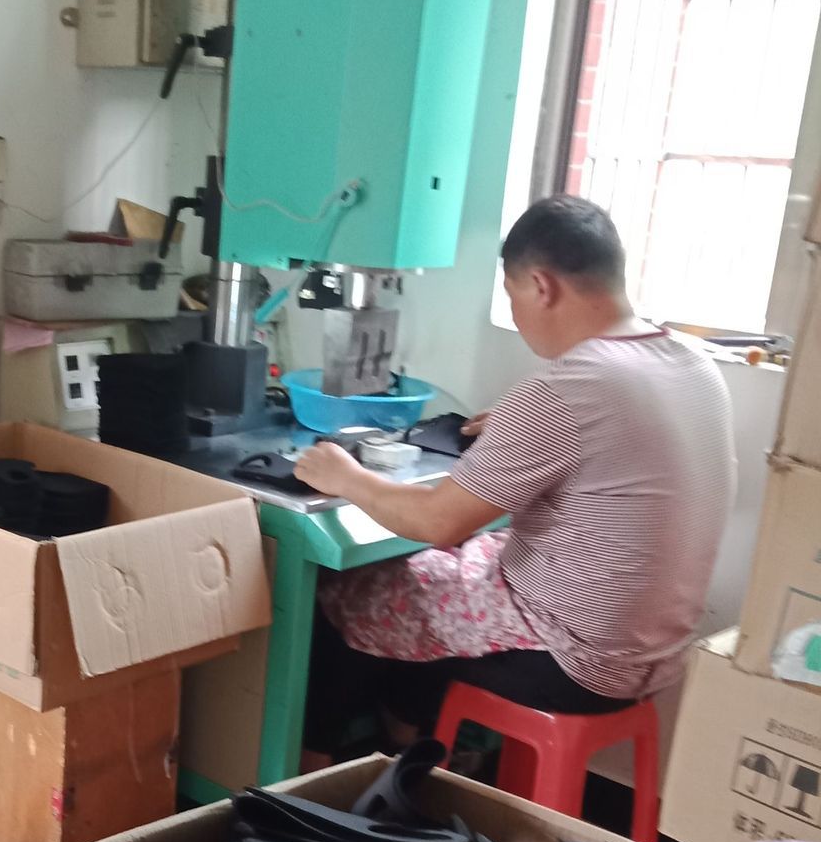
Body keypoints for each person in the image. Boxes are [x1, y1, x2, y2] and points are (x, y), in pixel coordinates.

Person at [295, 194, 736, 747]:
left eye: (512, 295)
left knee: (345, 592)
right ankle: (415, 748)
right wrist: (518, 426)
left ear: (541, 286)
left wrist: (345, 476)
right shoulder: (690, 363)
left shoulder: (572, 386)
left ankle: (321, 775)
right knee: (438, 573)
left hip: (573, 658)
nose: (517, 314)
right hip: (656, 653)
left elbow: (437, 523)